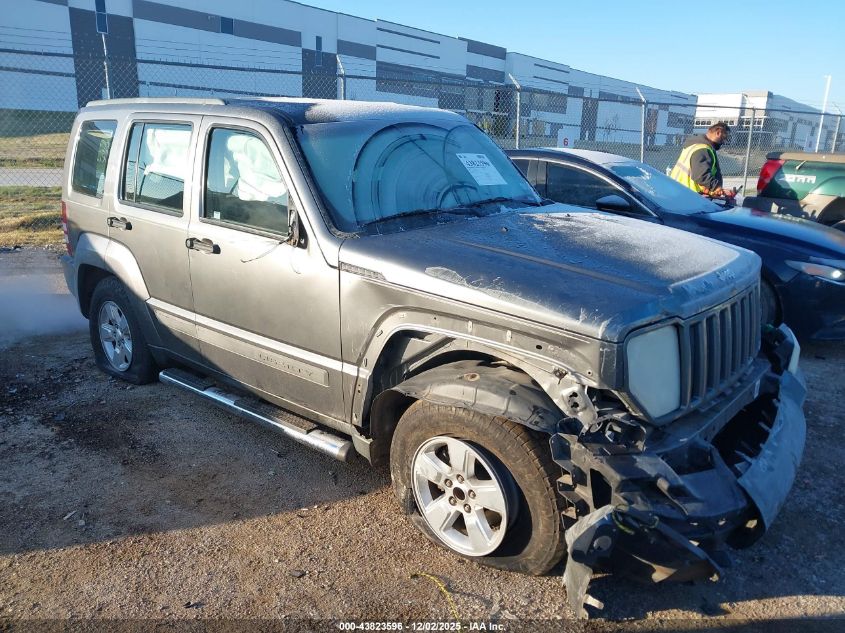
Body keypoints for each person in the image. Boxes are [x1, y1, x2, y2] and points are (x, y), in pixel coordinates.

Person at [670, 122, 732, 197]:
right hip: (688, 195)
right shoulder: (702, 149)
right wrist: (717, 188)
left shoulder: (695, 145)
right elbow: (701, 176)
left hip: (680, 190)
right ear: (718, 133)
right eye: (724, 138)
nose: (723, 142)